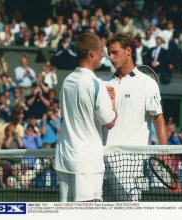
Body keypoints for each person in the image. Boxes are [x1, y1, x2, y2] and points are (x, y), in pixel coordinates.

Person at [104, 33, 167, 201]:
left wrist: (165, 151)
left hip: (131, 165)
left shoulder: (147, 83)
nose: (111, 57)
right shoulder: (104, 84)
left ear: (128, 51)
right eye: (109, 53)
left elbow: (158, 118)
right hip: (102, 163)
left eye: (115, 52)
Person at [55, 32, 117, 202]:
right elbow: (110, 122)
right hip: (87, 163)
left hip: (66, 160)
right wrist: (112, 100)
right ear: (92, 53)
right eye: (101, 54)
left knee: (65, 214)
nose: (103, 58)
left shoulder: (66, 81)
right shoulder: (97, 84)